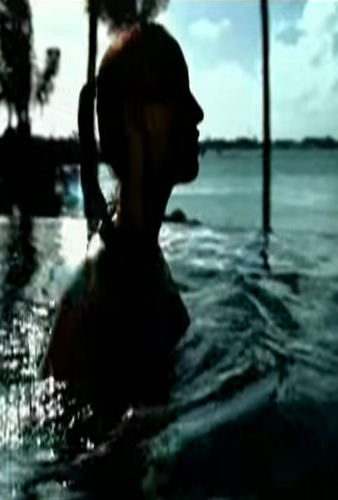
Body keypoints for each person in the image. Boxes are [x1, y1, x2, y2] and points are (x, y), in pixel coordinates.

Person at [40, 22, 204, 418]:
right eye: (178, 93)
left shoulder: (132, 254)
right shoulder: (117, 282)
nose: (197, 112)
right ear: (138, 119)